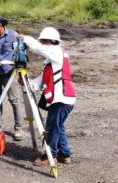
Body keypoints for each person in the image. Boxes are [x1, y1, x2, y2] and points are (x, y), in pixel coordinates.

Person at [19, 27, 77, 165]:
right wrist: (27, 82)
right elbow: (39, 82)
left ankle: (50, 155)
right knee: (58, 126)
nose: (43, 44)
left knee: (51, 126)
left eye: (44, 41)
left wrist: (24, 38)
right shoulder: (50, 62)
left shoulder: (57, 52)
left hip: (62, 98)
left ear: (50, 41)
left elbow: (38, 48)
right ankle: (65, 154)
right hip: (61, 98)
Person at [0, 15, 24, 140]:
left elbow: (21, 53)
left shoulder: (13, 35)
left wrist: (20, 72)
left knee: (14, 100)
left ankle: (18, 128)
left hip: (9, 73)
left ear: (0, 26)